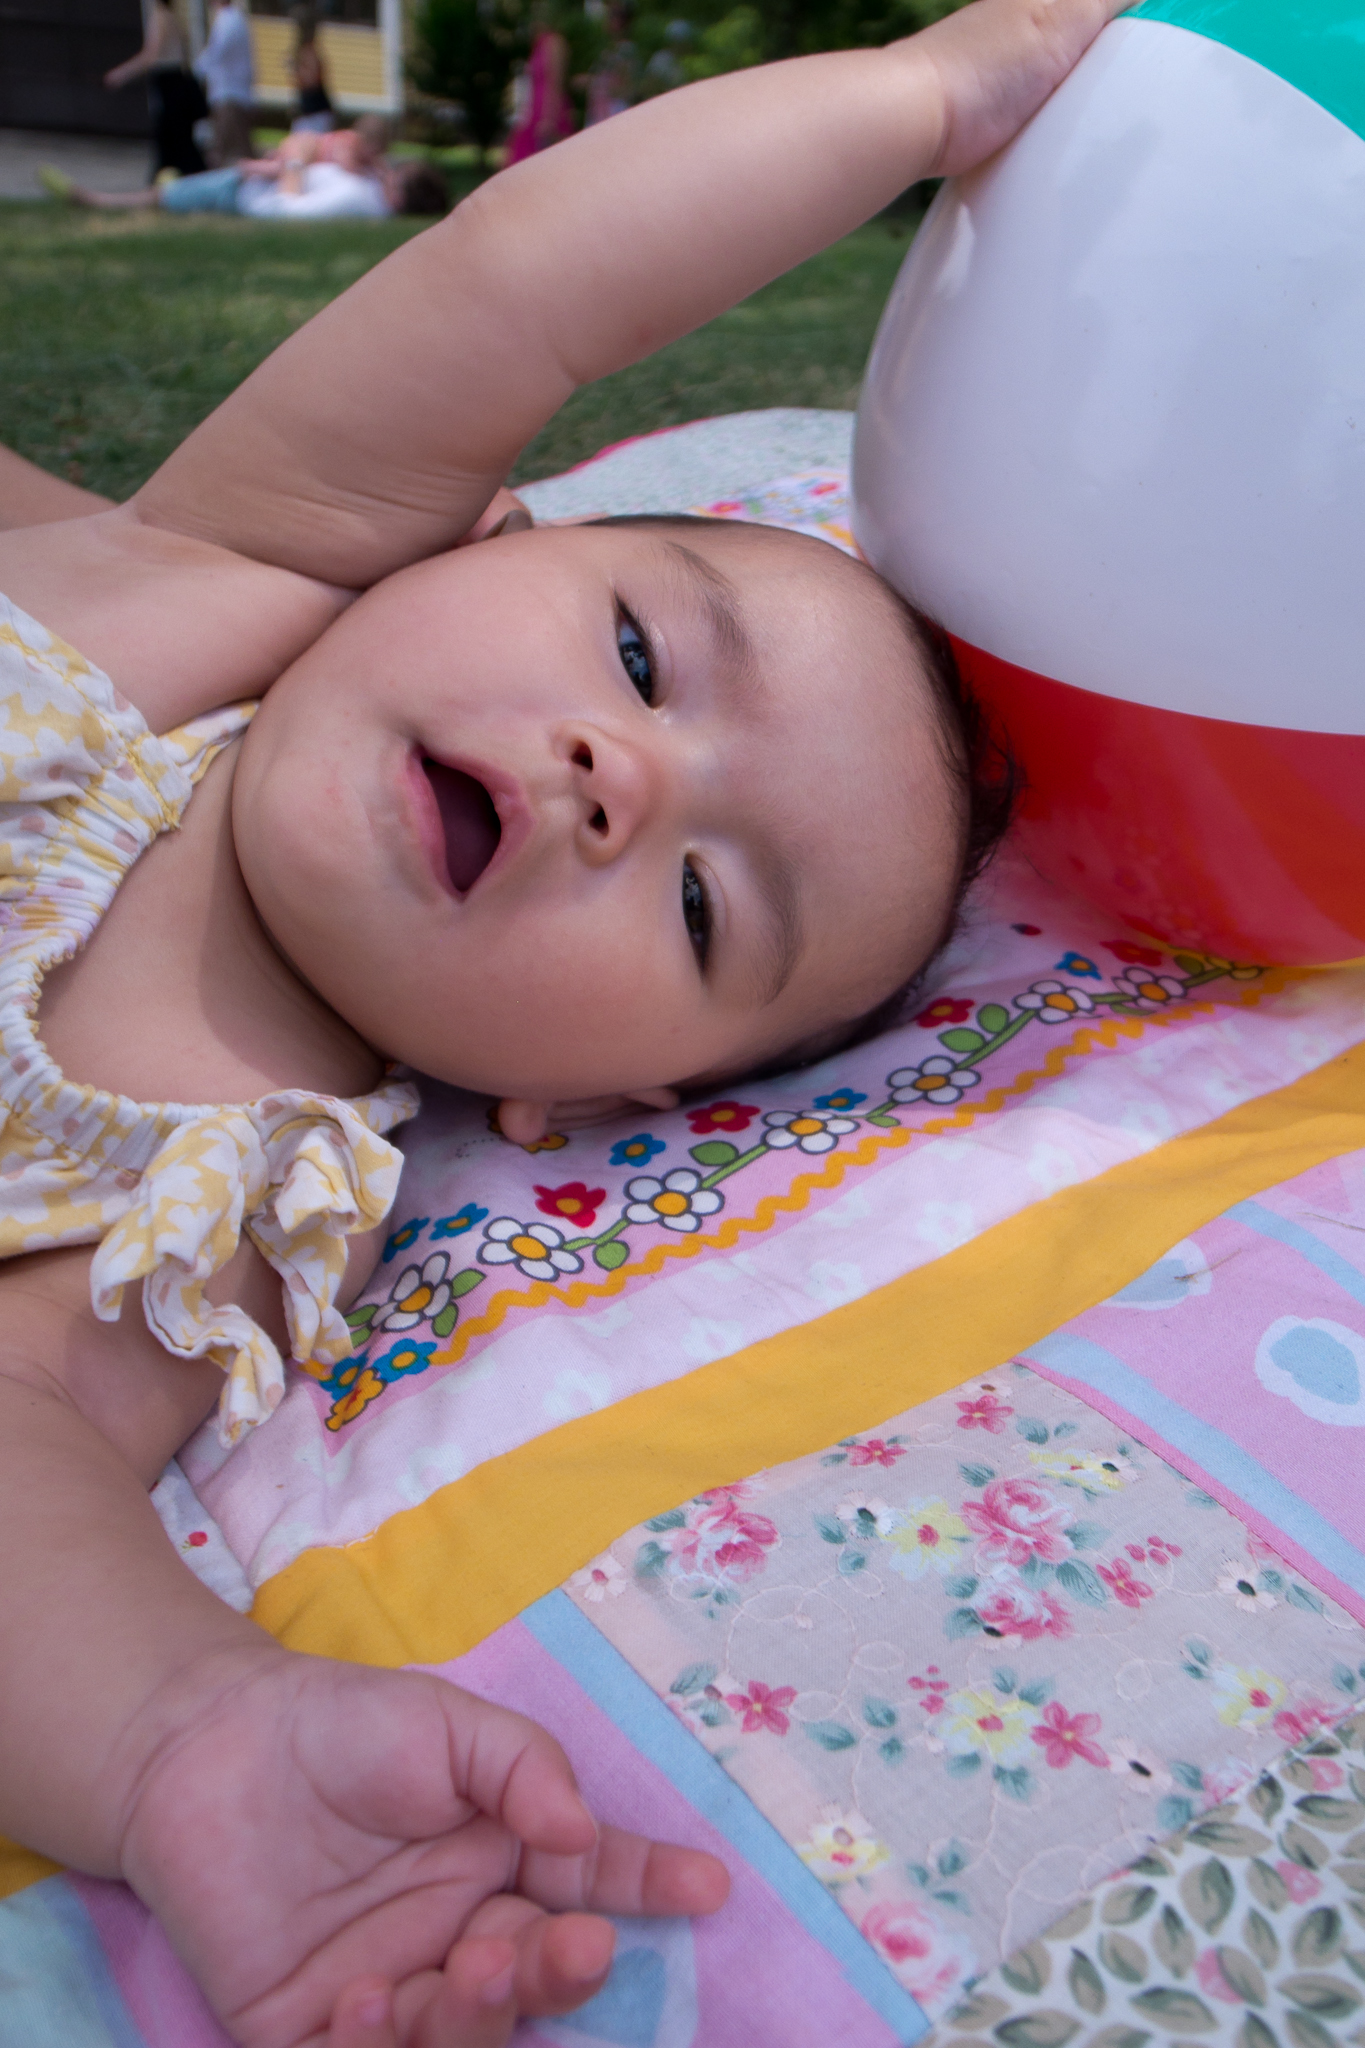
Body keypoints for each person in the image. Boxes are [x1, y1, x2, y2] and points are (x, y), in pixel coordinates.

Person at [0, 5, 1127, 2043]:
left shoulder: (228, 1187)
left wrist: (179, 1732)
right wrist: (933, 90)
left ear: (573, 1097)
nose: (624, 775)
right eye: (636, 649)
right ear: (486, 532)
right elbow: (525, 281)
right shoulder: (235, 559)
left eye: (702, 904)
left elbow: (22, 1460)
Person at [42, 136, 447, 222]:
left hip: (244, 193)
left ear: (399, 198)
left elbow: (286, 213)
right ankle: (166, 186)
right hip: (255, 180)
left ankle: (97, 200)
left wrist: (295, 162)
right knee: (177, 189)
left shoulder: (357, 202)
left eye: (397, 176)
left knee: (167, 196)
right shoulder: (370, 191)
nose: (389, 171)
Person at [103, 0, 208, 179]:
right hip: (174, 84)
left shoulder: (160, 16)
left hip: (170, 85)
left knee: (173, 142)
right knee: (179, 142)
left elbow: (151, 55)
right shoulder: (172, 16)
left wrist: (121, 74)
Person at [505, 4, 574, 164]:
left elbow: (555, 82)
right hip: (533, 110)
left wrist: (549, 117)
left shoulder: (554, 42)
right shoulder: (538, 44)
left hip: (548, 110)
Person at [195, 0, 256, 166]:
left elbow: (216, 52)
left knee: (222, 152)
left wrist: (196, 70)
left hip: (228, 95)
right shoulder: (235, 18)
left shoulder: (227, 21)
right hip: (234, 94)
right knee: (239, 149)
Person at [292, 15, 335, 133]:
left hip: (316, 110)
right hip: (306, 109)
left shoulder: (310, 52)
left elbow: (312, 79)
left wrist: (298, 69)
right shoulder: (302, 52)